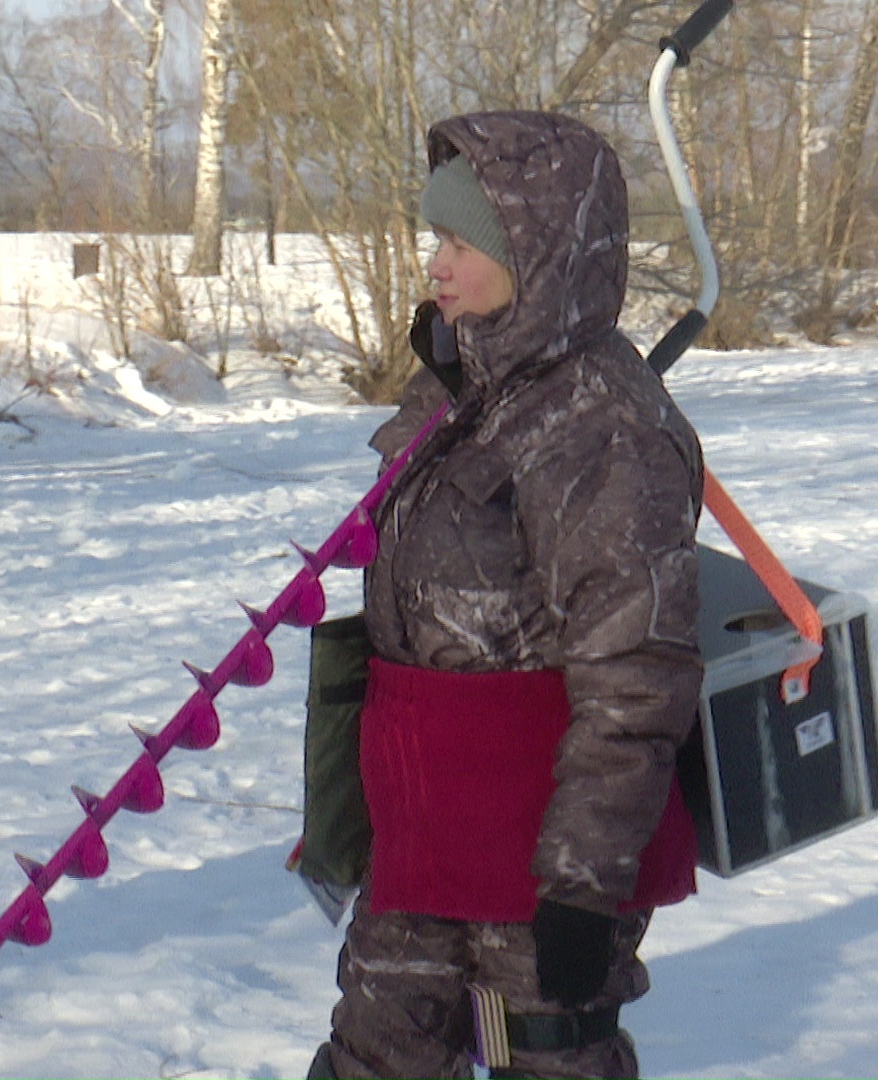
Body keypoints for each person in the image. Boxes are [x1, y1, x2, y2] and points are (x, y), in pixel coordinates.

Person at [308, 111, 706, 1080]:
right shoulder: (461, 394)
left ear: (537, 254)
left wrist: (583, 883)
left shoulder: (604, 429)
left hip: (540, 859)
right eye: (434, 239)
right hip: (426, 833)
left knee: (550, 1060)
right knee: (373, 1056)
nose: (435, 265)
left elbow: (636, 674)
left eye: (459, 242)